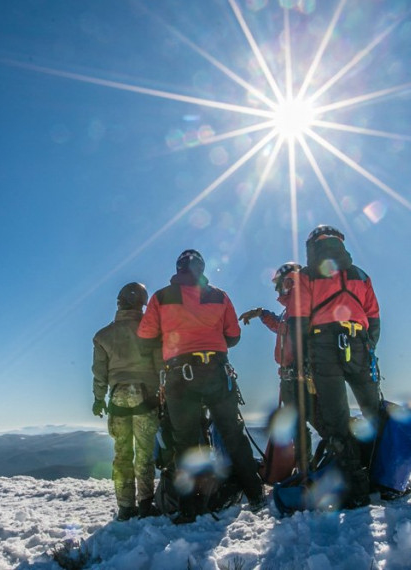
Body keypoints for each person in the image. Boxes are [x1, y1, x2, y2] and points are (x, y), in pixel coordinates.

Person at [138, 249, 266, 524]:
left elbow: (145, 336)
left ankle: (188, 508)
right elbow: (233, 336)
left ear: (179, 267)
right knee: (232, 434)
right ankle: (256, 494)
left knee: (184, 443)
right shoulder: (219, 295)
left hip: (179, 375)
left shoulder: (161, 297)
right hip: (216, 372)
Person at [288, 225, 381, 508]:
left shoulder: (305, 276)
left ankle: (356, 490)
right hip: (358, 342)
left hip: (323, 345)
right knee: (373, 411)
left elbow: (298, 320)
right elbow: (374, 317)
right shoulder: (360, 275)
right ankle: (385, 475)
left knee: (336, 420)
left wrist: (304, 358)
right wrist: (368, 347)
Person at [92, 281, 161, 521]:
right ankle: (145, 504)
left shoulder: (103, 336)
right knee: (144, 454)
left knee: (122, 454)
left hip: (118, 397)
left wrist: (99, 400)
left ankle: (125, 507)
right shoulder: (151, 332)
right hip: (146, 396)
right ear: (142, 304)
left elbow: (100, 374)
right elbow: (160, 366)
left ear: (119, 302)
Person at [239, 261, 316, 467]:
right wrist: (261, 313)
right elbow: (282, 329)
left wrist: (303, 364)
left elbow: (302, 335)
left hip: (300, 376)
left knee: (306, 423)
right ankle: (306, 468)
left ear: (288, 281)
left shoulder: (300, 303)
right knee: (300, 424)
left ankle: (308, 471)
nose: (277, 289)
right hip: (292, 376)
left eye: (278, 284)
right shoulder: (290, 309)